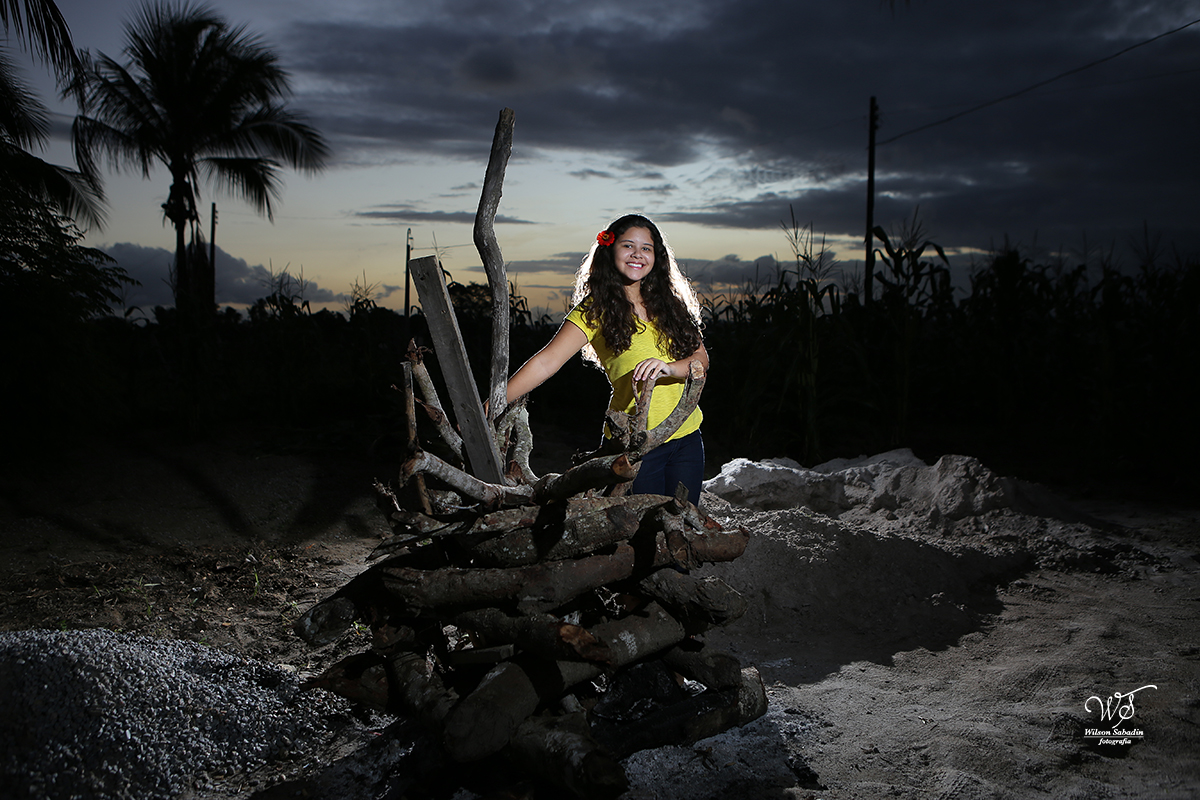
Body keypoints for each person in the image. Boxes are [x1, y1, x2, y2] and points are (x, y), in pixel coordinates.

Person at [504, 213, 709, 501]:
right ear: (610, 249)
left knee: (683, 518)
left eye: (646, 248)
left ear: (657, 257)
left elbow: (700, 359)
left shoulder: (670, 305)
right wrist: (493, 404)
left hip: (686, 437)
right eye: (628, 246)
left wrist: (668, 368)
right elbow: (546, 362)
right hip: (634, 444)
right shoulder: (594, 310)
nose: (637, 254)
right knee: (639, 523)